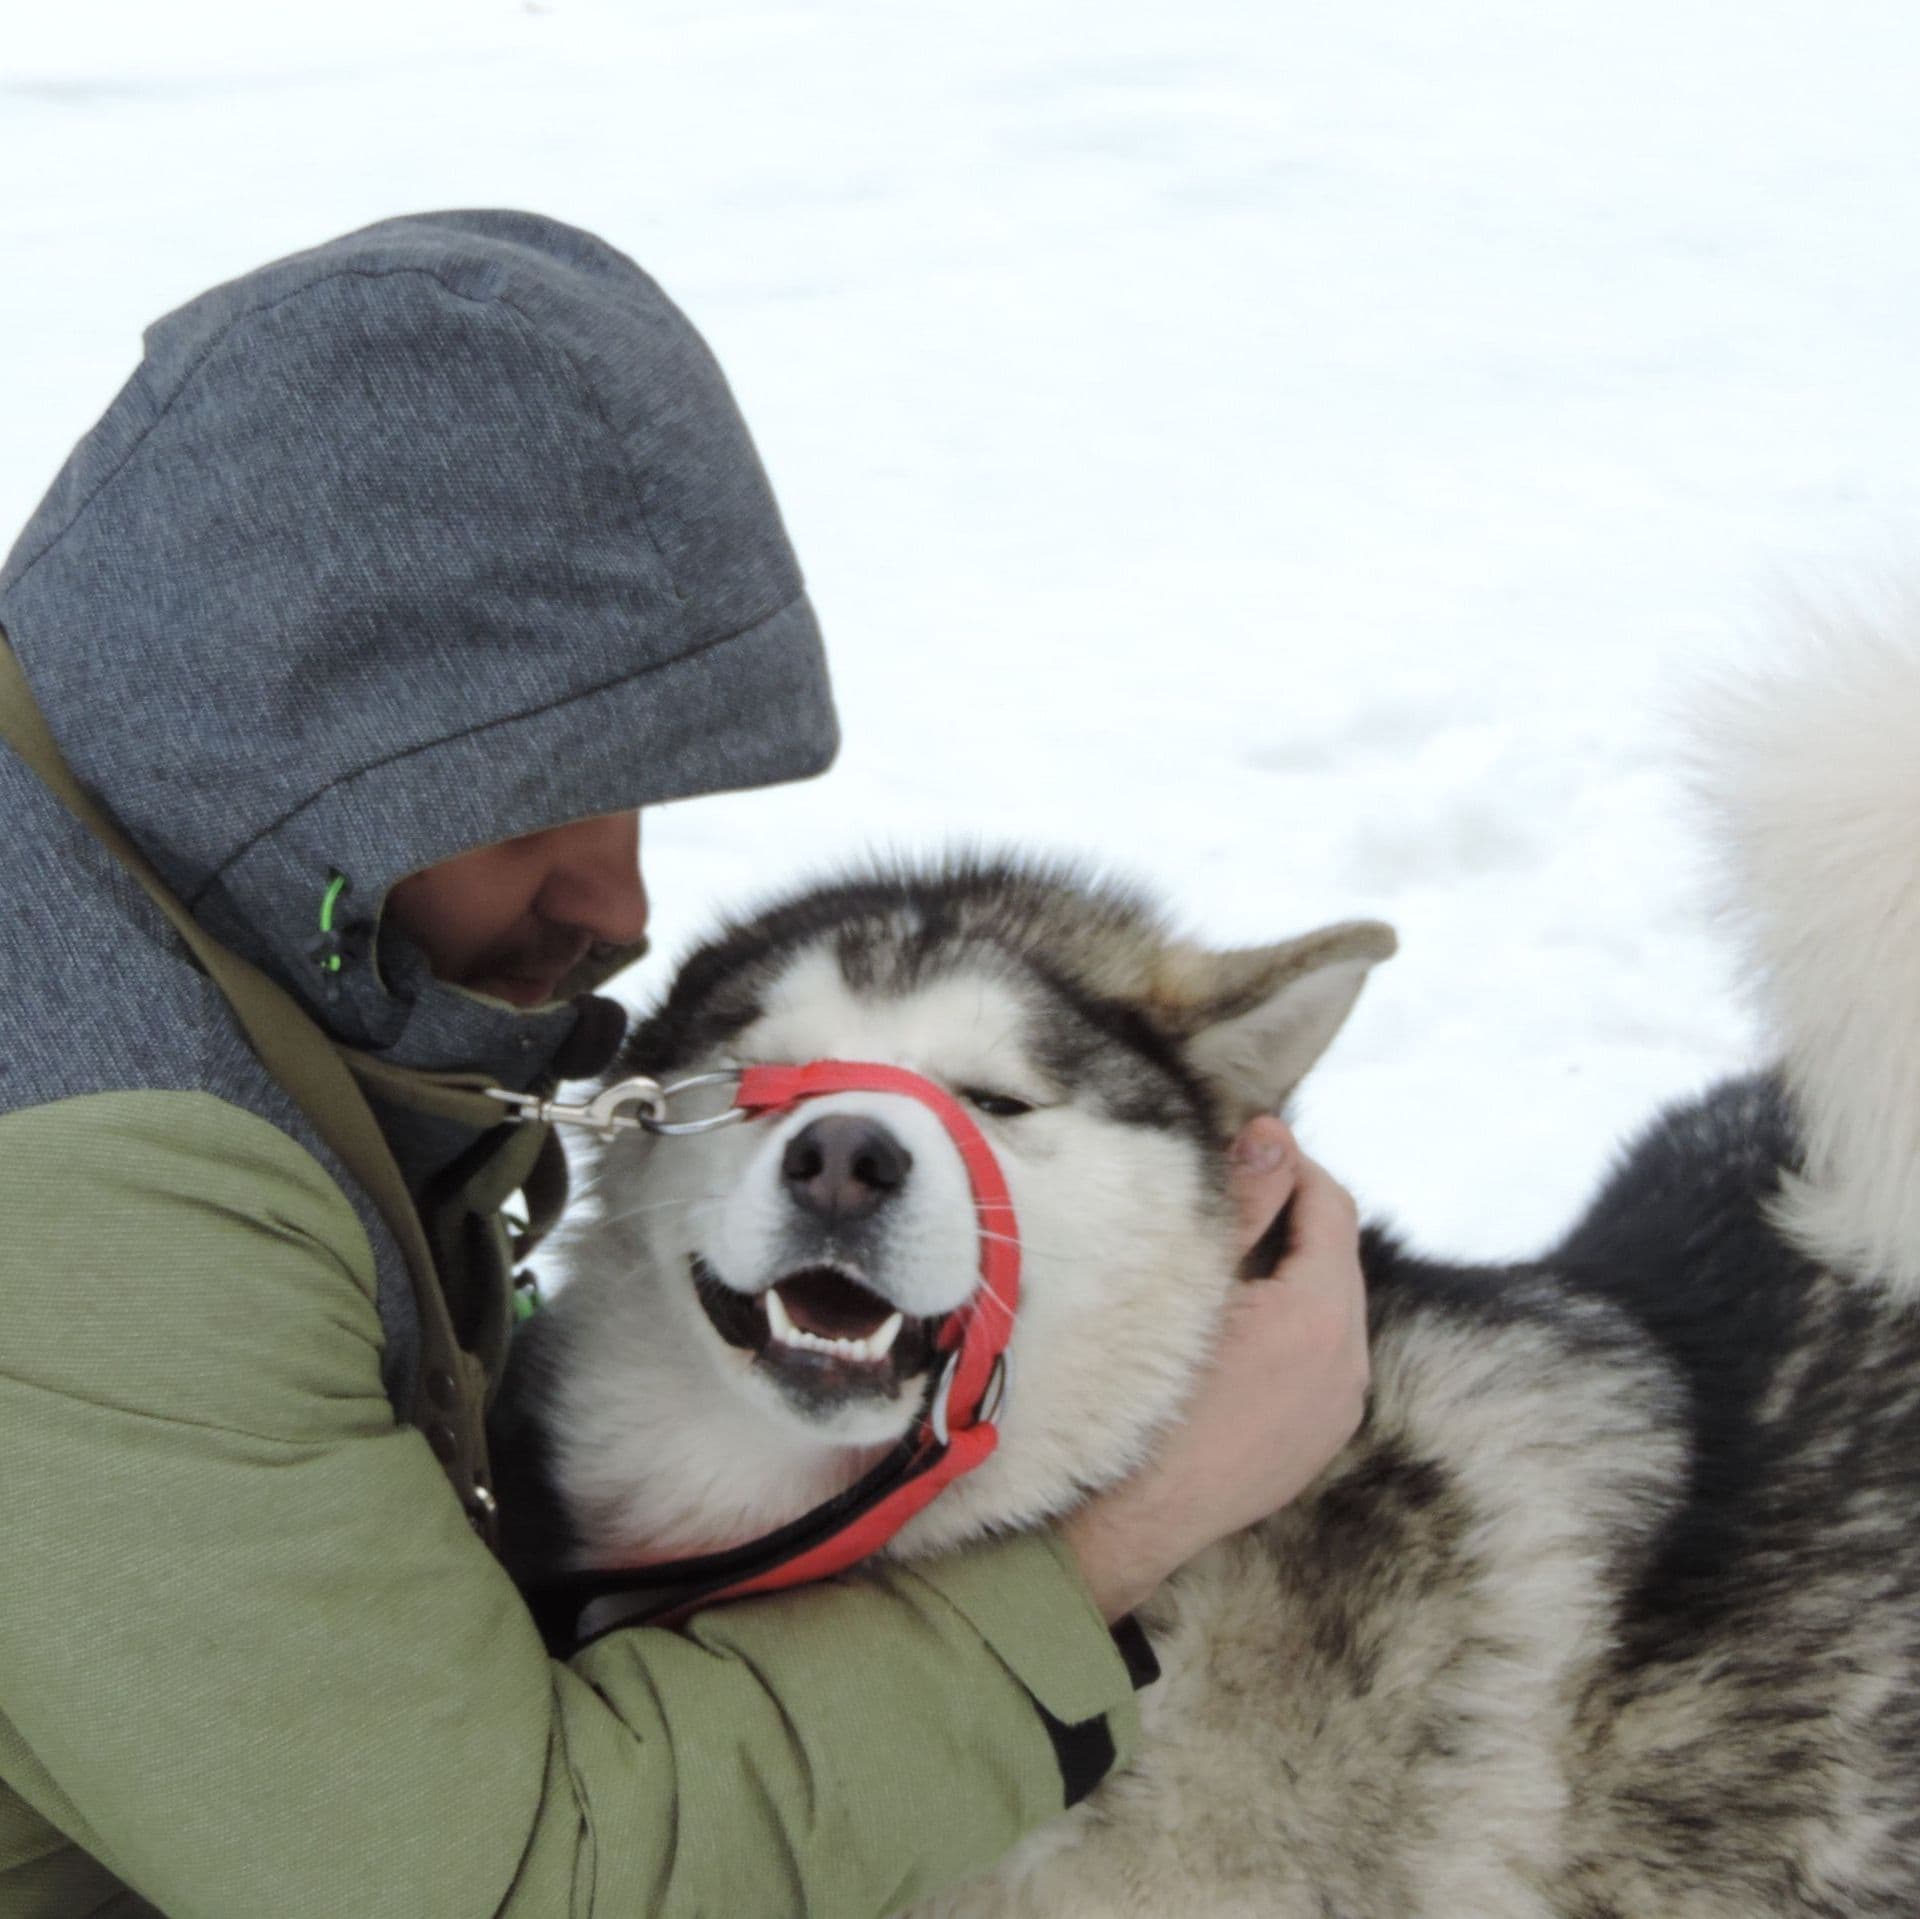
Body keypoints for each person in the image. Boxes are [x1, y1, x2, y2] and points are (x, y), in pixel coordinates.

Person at [0, 210, 1369, 1918]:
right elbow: (483, 1888)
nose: (621, 902)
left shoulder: (165, 898)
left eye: (629, 792)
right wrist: (1124, 1538)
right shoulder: (84, 1193)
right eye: (521, 805)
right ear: (291, 762)